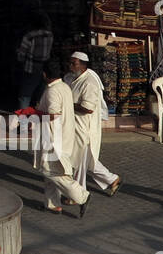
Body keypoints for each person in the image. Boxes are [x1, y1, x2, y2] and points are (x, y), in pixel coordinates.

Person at [35, 59, 89, 217]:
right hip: (64, 135)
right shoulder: (64, 86)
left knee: (51, 171)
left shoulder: (53, 91)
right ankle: (52, 204)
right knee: (53, 170)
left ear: (45, 74)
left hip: (54, 138)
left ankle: (82, 196)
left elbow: (53, 114)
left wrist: (34, 114)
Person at [67, 52, 122, 197]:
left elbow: (88, 108)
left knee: (79, 162)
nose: (71, 66)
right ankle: (112, 179)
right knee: (86, 161)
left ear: (83, 65)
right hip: (75, 126)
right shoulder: (73, 78)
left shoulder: (89, 82)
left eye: (74, 63)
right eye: (71, 63)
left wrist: (67, 105)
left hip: (85, 129)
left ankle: (77, 194)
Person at [15, 14, 53, 106]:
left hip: (31, 68)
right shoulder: (50, 35)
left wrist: (18, 53)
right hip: (44, 68)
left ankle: (23, 119)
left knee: (25, 96)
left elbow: (21, 56)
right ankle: (41, 118)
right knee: (41, 95)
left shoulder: (29, 36)